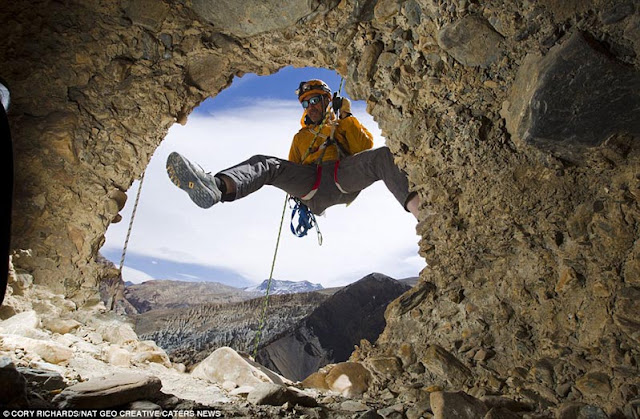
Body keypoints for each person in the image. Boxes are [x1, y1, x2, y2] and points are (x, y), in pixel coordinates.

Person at [166, 79, 419, 220]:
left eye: (314, 100)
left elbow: (364, 147)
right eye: (305, 103)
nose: (309, 106)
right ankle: (217, 188)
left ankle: (423, 214)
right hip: (312, 187)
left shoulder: (341, 124)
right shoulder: (300, 138)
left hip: (342, 178)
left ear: (326, 101)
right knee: (266, 164)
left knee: (384, 156)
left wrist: (347, 116)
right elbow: (292, 167)